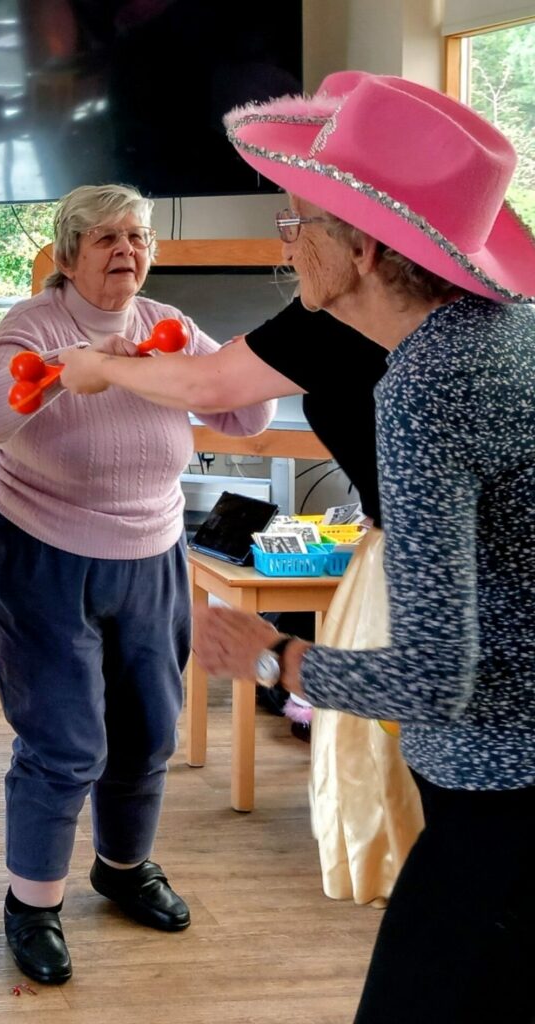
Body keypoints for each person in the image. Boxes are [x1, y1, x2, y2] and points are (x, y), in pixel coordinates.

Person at [190, 71, 535, 1023]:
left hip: (504, 791)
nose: (285, 242)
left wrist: (273, 656)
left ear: (366, 247)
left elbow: (436, 676)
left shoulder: (427, 388)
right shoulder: (508, 335)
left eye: (298, 221)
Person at [0, 183, 276, 985]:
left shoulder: (168, 324)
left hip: (151, 549)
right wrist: (63, 376)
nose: (126, 250)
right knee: (65, 740)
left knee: (147, 730)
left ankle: (124, 868)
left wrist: (228, 369)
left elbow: (246, 416)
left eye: (137, 236)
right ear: (69, 255)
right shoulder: (34, 324)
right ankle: (32, 904)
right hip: (37, 547)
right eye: (106, 237)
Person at [59, 287, 425, 906]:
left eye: (299, 235)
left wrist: (98, 367)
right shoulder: (366, 313)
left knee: (412, 752)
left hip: (414, 557)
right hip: (395, 544)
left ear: (359, 249)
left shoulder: (342, 313)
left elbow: (212, 386)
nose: (290, 249)